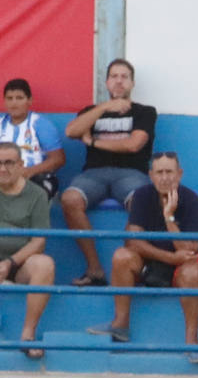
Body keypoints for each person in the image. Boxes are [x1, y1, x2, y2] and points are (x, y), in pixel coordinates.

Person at [91, 151, 198, 363]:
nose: (165, 177)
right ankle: (120, 325)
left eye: (169, 172)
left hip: (182, 269)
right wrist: (170, 258)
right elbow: (132, 240)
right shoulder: (142, 195)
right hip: (152, 263)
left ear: (179, 174)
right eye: (159, 172)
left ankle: (192, 342)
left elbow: (189, 250)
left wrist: (169, 217)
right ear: (151, 175)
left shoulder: (192, 201)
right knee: (121, 256)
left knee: (192, 271)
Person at [61, 58, 157, 287]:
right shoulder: (92, 112)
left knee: (143, 203)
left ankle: (124, 268)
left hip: (131, 173)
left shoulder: (145, 112)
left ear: (132, 83)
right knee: (69, 199)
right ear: (106, 82)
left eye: (124, 77)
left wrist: (93, 142)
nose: (119, 81)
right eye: (114, 76)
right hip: (94, 174)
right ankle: (95, 270)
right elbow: (71, 131)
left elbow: (134, 145)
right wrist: (103, 108)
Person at [0, 141, 54, 358]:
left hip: (17, 265)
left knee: (45, 264)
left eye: (8, 163)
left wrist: (10, 263)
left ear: (21, 165)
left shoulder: (37, 194)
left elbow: (39, 241)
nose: (2, 169)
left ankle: (27, 335)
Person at [0, 78, 65, 199]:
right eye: (9, 98)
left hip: (37, 178)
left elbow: (58, 159)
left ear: (30, 101)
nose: (14, 103)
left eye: (19, 98)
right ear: (4, 101)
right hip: (2, 178)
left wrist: (29, 171)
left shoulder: (40, 124)